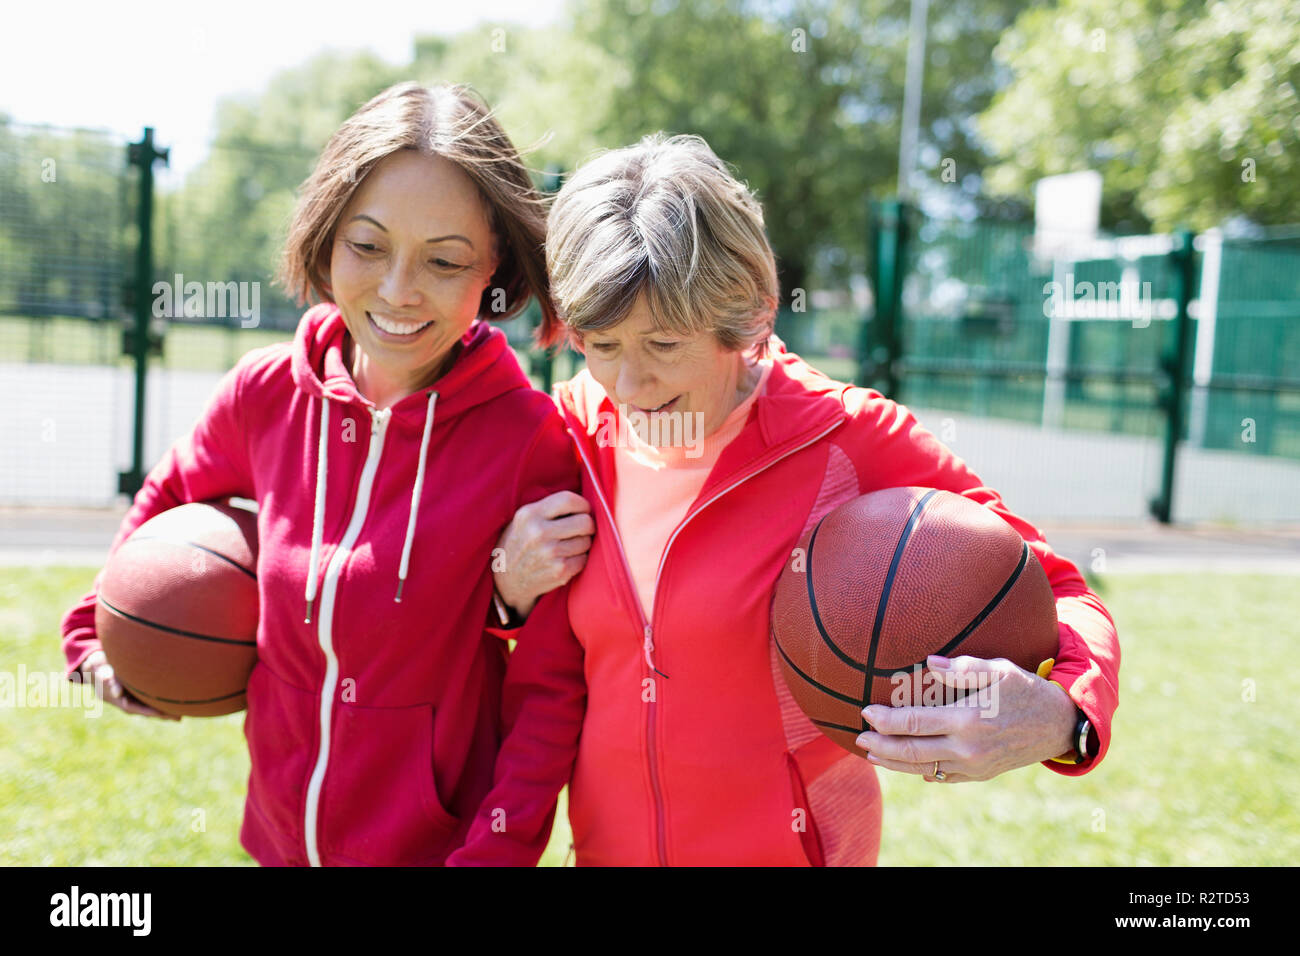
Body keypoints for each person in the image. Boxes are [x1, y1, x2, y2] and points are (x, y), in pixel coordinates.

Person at [452, 133, 1120, 866]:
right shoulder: (573, 428)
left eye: (664, 344)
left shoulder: (848, 435)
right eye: (601, 344)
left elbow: (1059, 592)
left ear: (750, 314)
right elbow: (530, 663)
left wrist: (1066, 718)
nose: (630, 385)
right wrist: (505, 590)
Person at [59, 82, 584, 866]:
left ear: (494, 266)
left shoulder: (529, 441)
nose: (399, 291)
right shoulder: (264, 394)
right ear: (328, 235)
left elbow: (549, 695)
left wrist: (492, 854)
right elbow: (166, 498)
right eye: (368, 247)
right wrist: (95, 631)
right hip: (277, 843)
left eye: (444, 261)